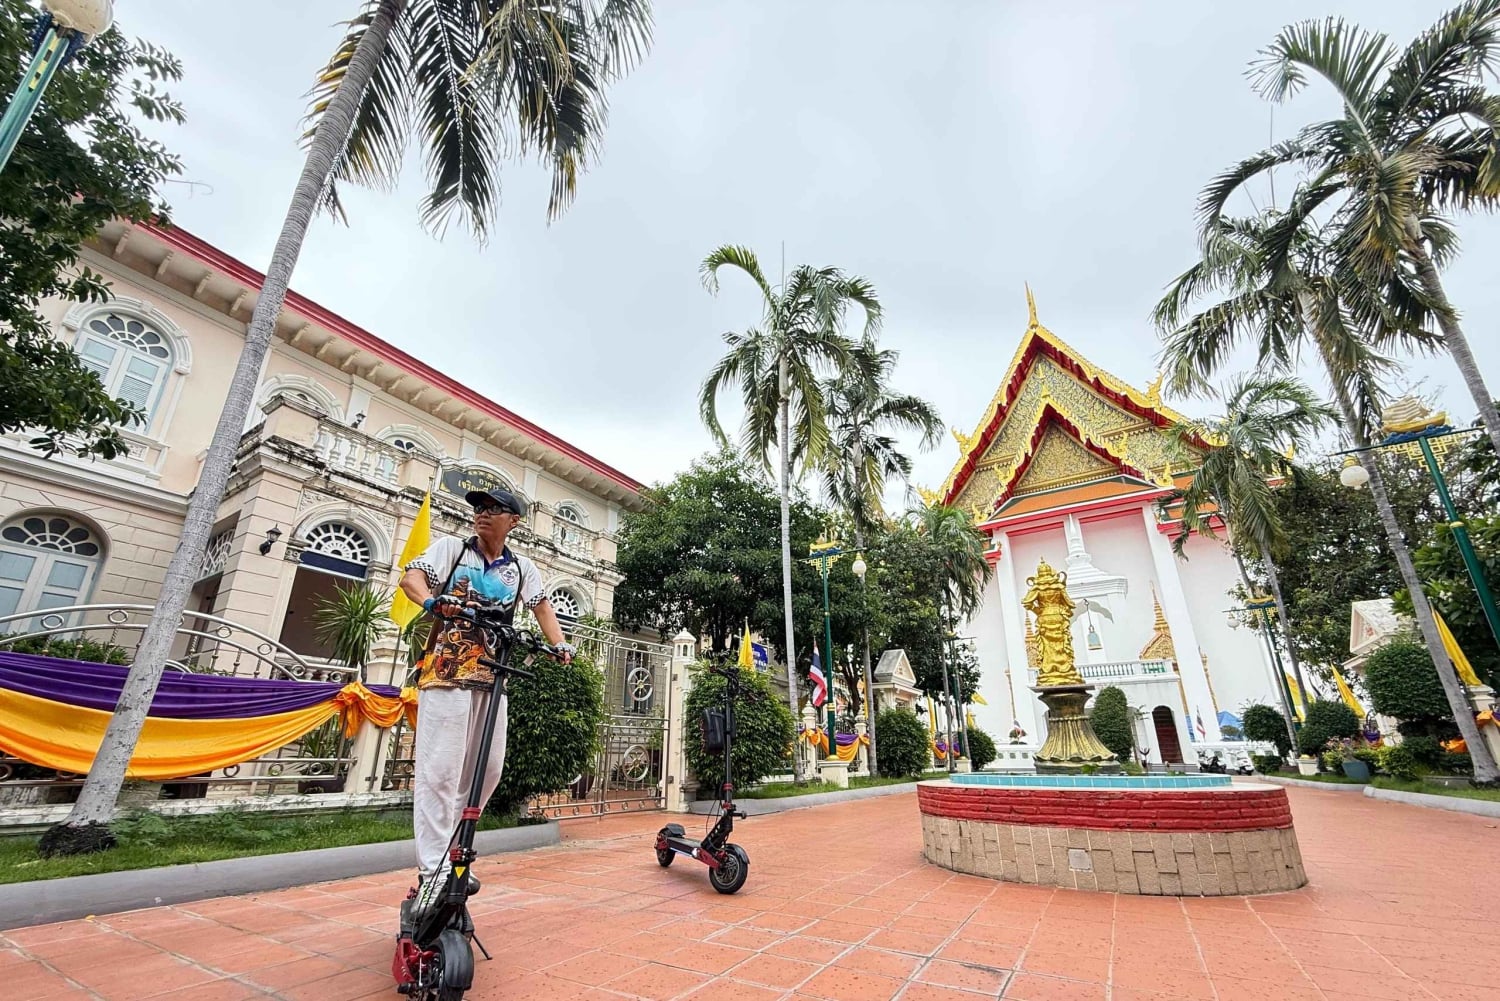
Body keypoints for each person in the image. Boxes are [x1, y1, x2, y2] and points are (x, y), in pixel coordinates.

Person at [396, 487, 573, 922]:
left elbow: (542, 606)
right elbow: (410, 578)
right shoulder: (451, 550)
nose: (482, 515)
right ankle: (432, 868)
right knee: (441, 769)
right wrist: (433, 601)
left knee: (487, 770)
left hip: (493, 677)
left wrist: (560, 644)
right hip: (448, 672)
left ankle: (453, 851)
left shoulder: (521, 568)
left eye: (493, 510)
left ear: (513, 520)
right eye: (478, 509)